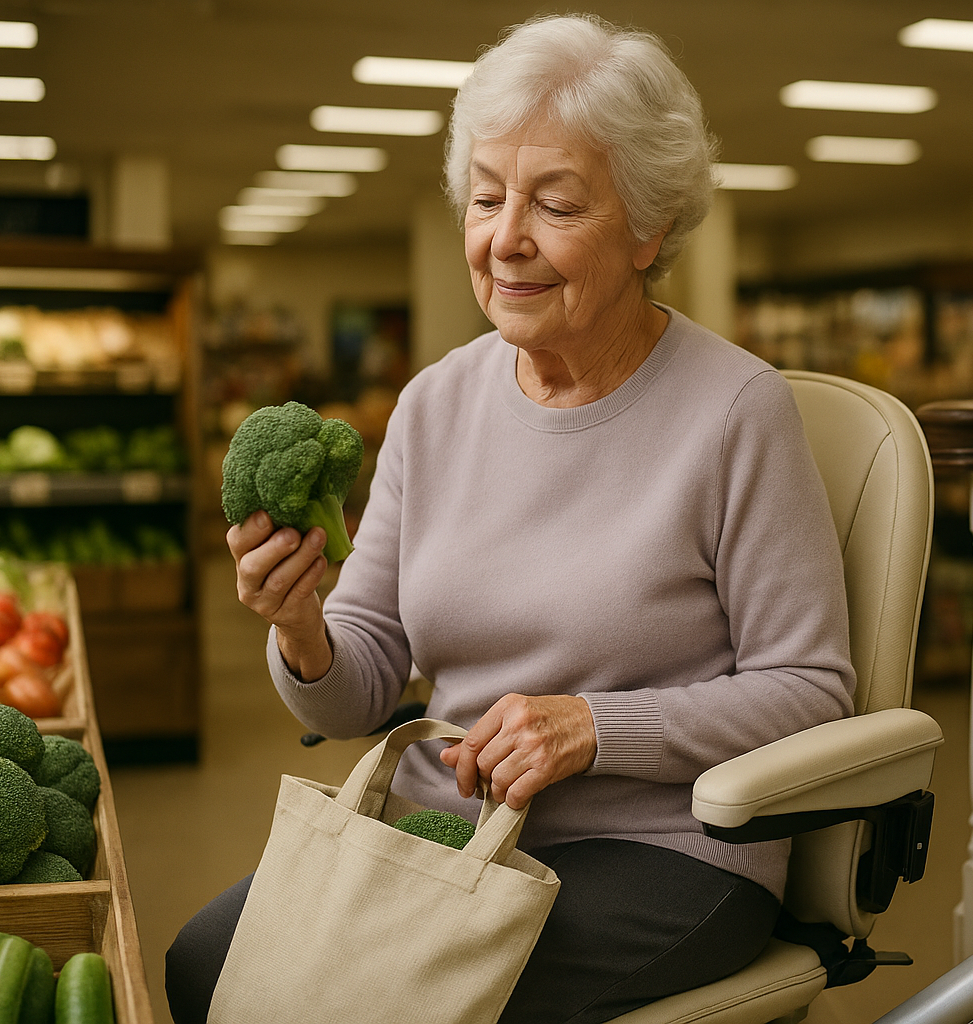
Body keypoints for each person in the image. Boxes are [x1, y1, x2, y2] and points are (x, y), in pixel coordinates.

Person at [164, 13, 855, 1024]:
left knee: (371, 996)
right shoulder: (435, 404)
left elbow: (813, 690)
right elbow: (357, 689)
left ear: (648, 229)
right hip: (451, 834)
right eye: (487, 196)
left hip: (666, 852)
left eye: (556, 203)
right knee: (206, 965)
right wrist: (301, 628)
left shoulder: (736, 411)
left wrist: (593, 726)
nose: (505, 237)